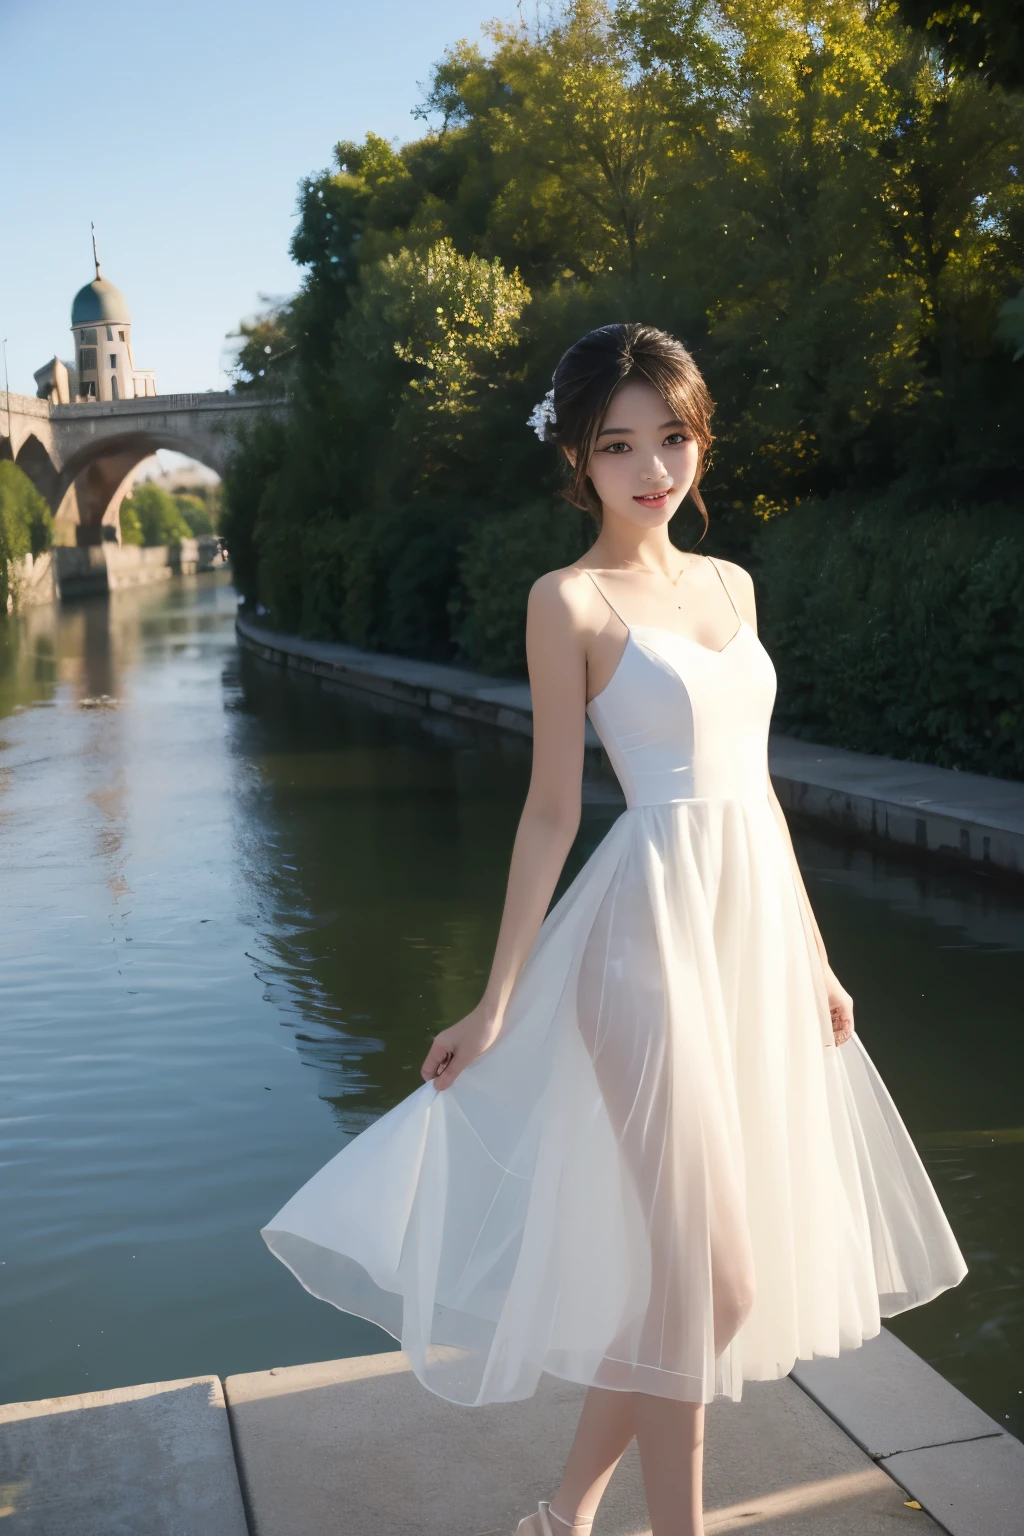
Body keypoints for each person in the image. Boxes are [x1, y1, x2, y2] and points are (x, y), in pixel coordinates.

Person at [261, 323, 967, 1536]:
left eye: (672, 437)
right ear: (577, 462)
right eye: (618, 445)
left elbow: (756, 794)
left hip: (747, 943)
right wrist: (494, 1000)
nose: (652, 468)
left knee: (688, 1292)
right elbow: (547, 814)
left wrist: (816, 957)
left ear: (700, 437)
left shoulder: (733, 584)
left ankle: (562, 1515)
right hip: (643, 949)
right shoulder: (568, 602)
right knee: (718, 1287)